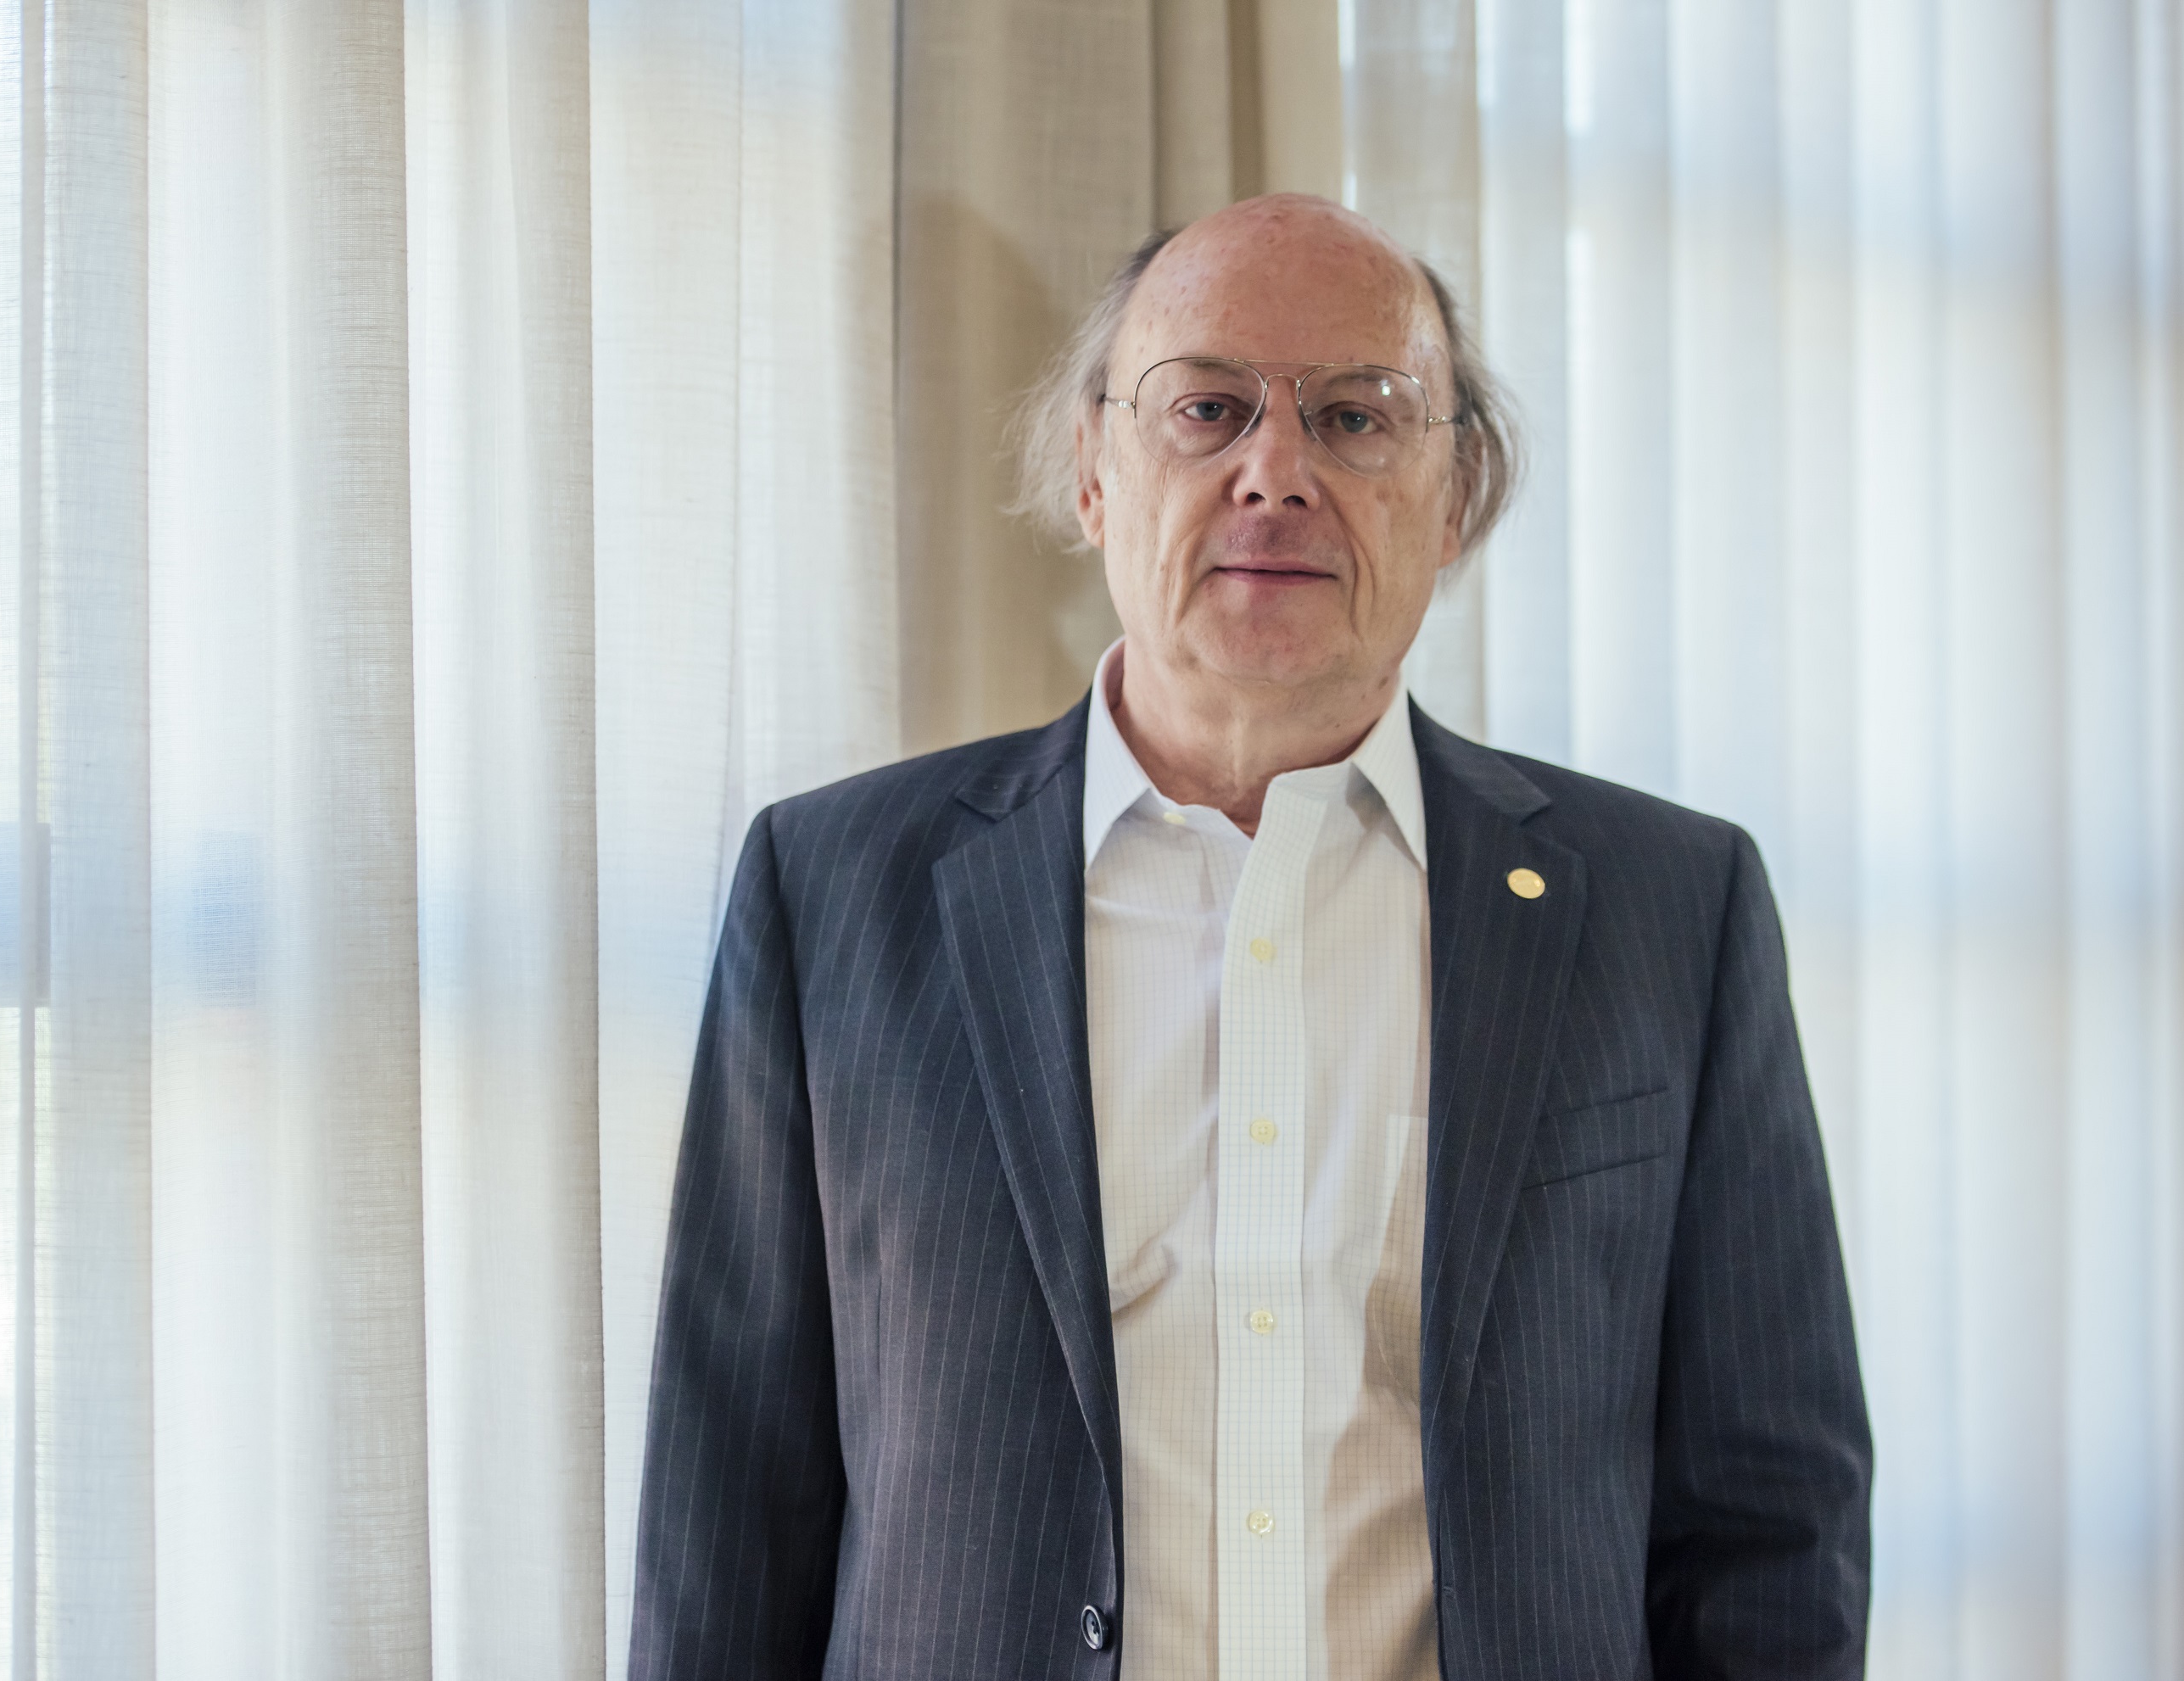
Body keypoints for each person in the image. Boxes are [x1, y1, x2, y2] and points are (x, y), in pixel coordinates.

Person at [629, 193, 1872, 1681]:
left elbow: (1767, 1522)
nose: (1273, 472)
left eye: (1358, 418)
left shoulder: (1672, 908)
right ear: (1092, 471)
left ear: (1456, 495)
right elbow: (730, 1496)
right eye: (1206, 408)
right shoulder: (828, 891)